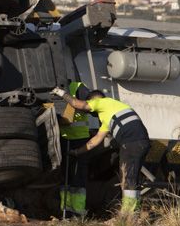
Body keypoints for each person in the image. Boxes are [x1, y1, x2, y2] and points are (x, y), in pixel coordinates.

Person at [53, 86, 150, 215]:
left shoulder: (103, 102)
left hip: (131, 141)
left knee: (127, 176)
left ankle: (129, 214)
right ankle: (133, 210)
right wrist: (77, 152)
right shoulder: (109, 114)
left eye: (91, 107)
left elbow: (77, 104)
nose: (90, 112)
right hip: (141, 141)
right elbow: (95, 140)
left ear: (94, 101)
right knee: (130, 176)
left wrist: (60, 92)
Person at [58, 80, 91, 217]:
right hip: (64, 138)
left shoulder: (77, 87)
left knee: (77, 176)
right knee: (66, 177)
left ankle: (76, 212)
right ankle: (66, 210)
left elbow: (88, 106)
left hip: (79, 139)